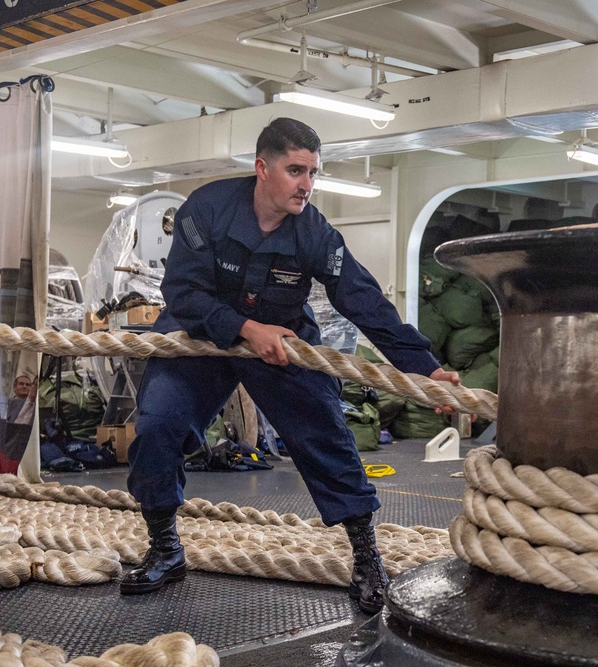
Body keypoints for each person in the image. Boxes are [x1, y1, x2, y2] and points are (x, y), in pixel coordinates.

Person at [121, 118, 462, 615]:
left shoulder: (315, 232)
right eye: (296, 170)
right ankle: (166, 548)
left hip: (281, 341)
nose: (307, 185)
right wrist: (243, 328)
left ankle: (367, 557)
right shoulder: (206, 209)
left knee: (327, 437)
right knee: (156, 427)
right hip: (201, 336)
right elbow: (183, 293)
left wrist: (424, 368)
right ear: (263, 168)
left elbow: (363, 300)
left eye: (314, 173)